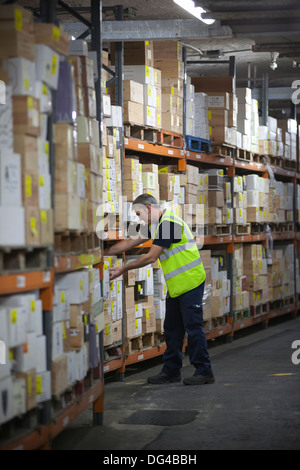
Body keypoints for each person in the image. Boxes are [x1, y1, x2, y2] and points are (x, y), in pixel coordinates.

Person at [105, 194, 214, 386]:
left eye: (139, 213)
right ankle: (171, 371)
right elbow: (131, 241)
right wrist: (103, 253)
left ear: (148, 208)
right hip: (176, 286)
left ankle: (204, 371)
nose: (138, 218)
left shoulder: (169, 224)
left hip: (190, 282)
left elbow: (151, 257)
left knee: (193, 328)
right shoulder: (155, 225)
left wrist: (122, 268)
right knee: (172, 329)